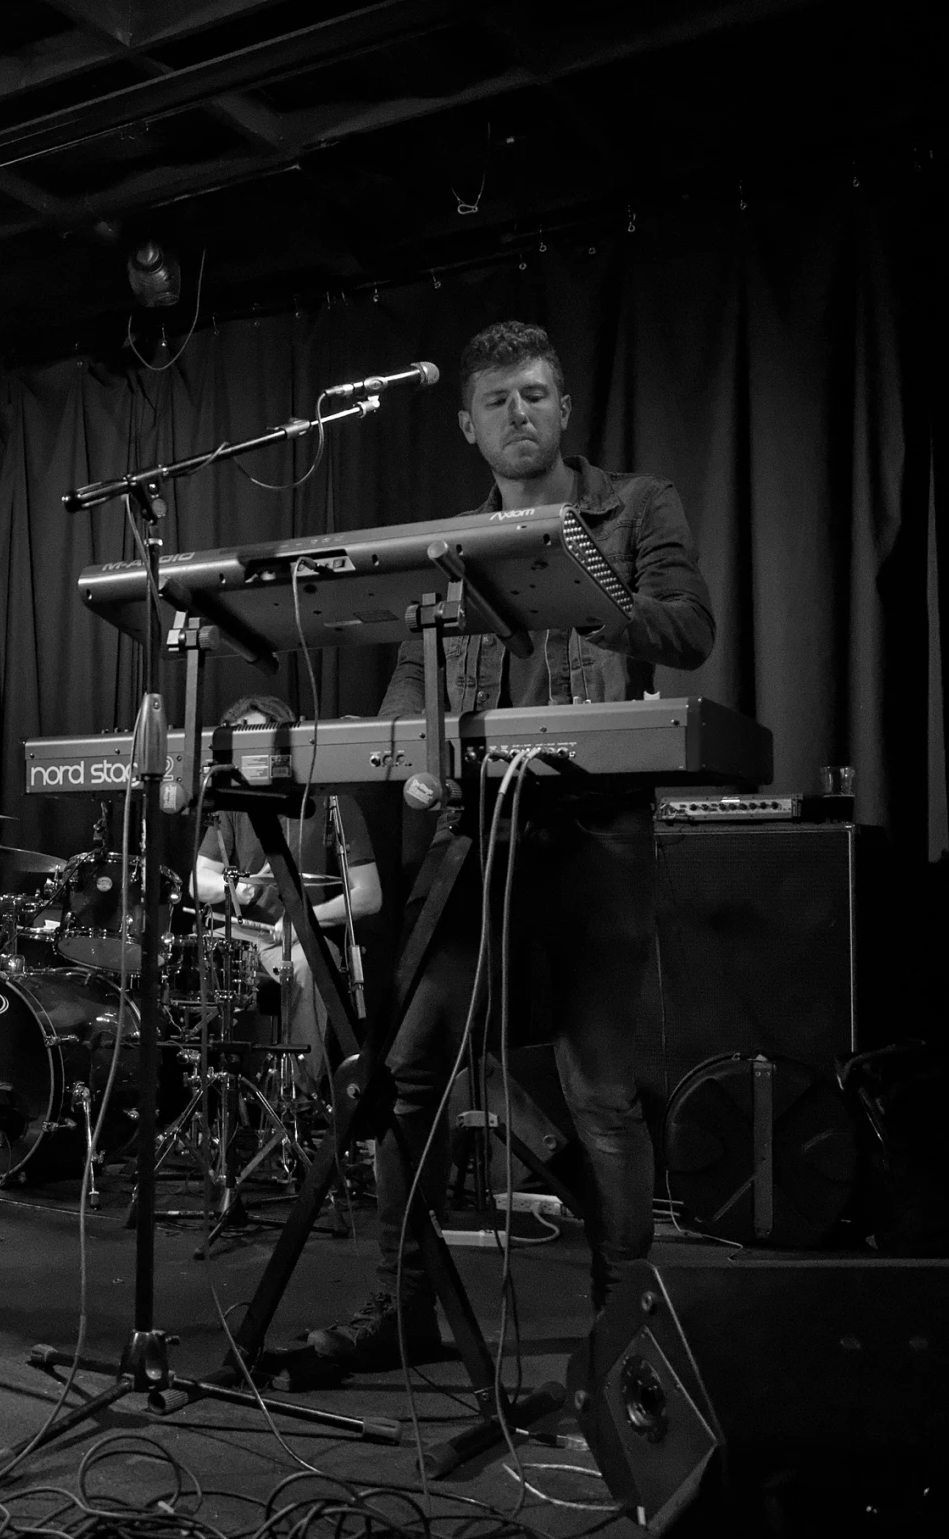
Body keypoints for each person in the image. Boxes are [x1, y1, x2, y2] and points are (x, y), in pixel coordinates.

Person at [304, 320, 715, 1375]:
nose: (518, 413)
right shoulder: (449, 538)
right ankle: (404, 1305)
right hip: (472, 831)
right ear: (467, 423)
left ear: (563, 407)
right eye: (498, 400)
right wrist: (398, 760)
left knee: (597, 1090)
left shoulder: (634, 504)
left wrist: (595, 599)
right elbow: (407, 686)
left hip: (593, 826)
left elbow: (687, 629)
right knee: (406, 1071)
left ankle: (625, 1325)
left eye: (535, 393)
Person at [191, 694, 382, 1089]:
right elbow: (198, 880)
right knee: (185, 956)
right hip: (245, 934)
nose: (249, 746)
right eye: (240, 737)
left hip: (303, 937)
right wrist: (235, 888)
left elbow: (368, 895)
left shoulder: (332, 796)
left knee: (307, 967)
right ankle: (209, 1090)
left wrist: (303, 921)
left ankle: (301, 1098)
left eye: (258, 734)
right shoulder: (230, 802)